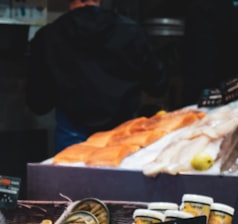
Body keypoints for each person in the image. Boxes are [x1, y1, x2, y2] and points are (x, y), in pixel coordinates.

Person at [26, 0, 168, 152]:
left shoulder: (48, 36)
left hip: (71, 137)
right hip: (123, 136)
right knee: (119, 176)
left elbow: (38, 103)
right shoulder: (131, 31)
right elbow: (157, 86)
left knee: (70, 175)